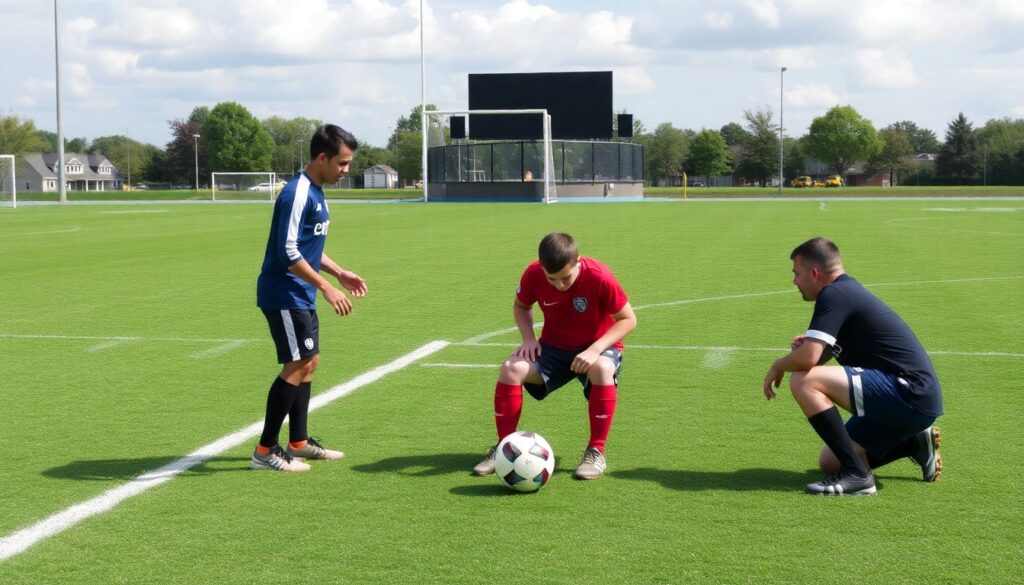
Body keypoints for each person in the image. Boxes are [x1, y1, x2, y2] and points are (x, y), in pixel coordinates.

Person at [762, 237, 943, 495]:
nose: (794, 282)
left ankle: (859, 477)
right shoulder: (844, 291)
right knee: (830, 461)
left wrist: (778, 365)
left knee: (803, 380)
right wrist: (807, 348)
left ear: (814, 273)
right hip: (913, 400)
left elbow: (809, 360)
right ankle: (912, 443)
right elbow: (817, 354)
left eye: (797, 274)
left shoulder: (834, 294)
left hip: (910, 393)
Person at [473, 232, 637, 480]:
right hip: (553, 348)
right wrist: (528, 338)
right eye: (552, 279)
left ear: (578, 262)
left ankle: (596, 452)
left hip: (598, 346)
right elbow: (521, 305)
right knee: (510, 368)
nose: (560, 285)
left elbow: (628, 319)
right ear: (542, 268)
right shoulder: (533, 274)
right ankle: (503, 450)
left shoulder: (599, 276)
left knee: (602, 368)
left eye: (566, 278)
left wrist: (594, 350)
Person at [251, 124, 367, 472]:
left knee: (309, 361)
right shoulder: (297, 192)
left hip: (300, 293)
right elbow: (288, 252)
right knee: (298, 364)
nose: (346, 171)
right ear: (322, 158)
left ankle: (298, 442)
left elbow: (308, 247)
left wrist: (339, 272)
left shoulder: (317, 191)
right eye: (343, 163)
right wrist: (325, 287)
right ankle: (265, 451)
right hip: (283, 292)